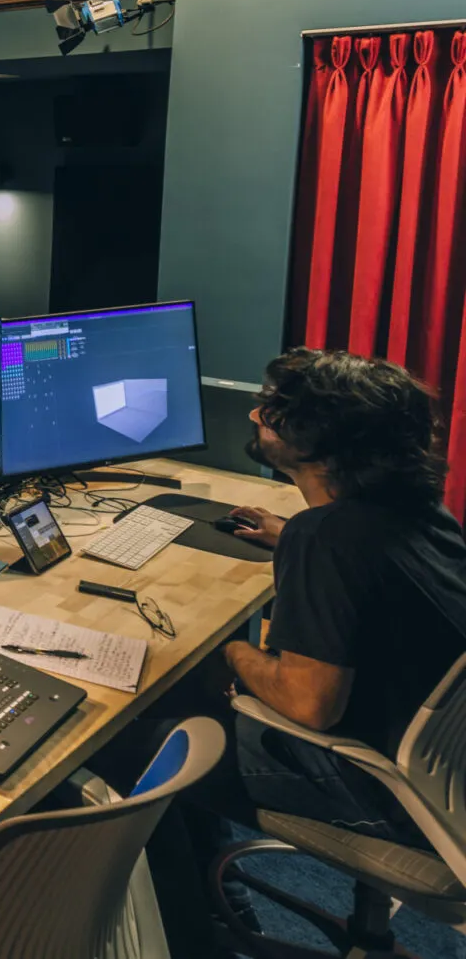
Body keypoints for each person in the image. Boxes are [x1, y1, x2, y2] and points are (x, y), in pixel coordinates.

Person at [114, 349, 466, 950]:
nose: (255, 415)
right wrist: (293, 538)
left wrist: (227, 654)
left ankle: (188, 937)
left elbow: (309, 705)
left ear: (317, 442)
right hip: (446, 779)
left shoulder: (327, 539)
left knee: (138, 747)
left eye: (274, 414)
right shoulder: (421, 513)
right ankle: (218, 902)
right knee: (196, 715)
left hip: (383, 793)